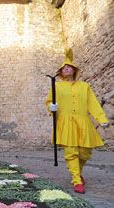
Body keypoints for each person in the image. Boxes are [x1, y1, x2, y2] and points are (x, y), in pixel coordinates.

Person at [46, 48, 109, 194]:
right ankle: (76, 180)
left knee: (85, 152)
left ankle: (78, 172)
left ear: (74, 70)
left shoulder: (84, 86)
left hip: (83, 122)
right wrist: (51, 106)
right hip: (65, 122)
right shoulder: (57, 86)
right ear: (61, 71)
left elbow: (92, 103)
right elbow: (50, 101)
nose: (66, 68)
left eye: (68, 66)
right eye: (63, 67)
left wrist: (101, 119)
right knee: (71, 152)